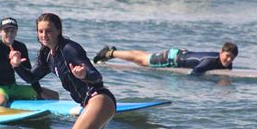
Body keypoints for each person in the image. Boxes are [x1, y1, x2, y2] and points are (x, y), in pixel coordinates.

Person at [0, 17, 58, 106]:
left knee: (53, 96)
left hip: (14, 88)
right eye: (6, 31)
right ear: (0, 32)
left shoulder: (20, 47)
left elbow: (30, 74)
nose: (9, 34)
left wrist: (39, 91)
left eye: (12, 31)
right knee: (1, 103)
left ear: (16, 32)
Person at [93, 42, 238, 76]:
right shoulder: (209, 61)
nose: (229, 60)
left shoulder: (218, 59)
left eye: (232, 58)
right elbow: (195, 74)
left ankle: (112, 52)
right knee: (142, 61)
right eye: (227, 56)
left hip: (178, 53)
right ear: (221, 52)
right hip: (173, 58)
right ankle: (109, 53)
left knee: (143, 57)